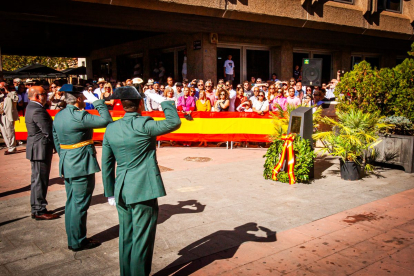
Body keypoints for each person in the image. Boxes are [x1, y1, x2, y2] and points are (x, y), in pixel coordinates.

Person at [101, 87, 181, 276]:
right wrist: (165, 102)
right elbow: (174, 122)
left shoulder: (111, 128)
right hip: (143, 187)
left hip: (121, 187)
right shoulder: (144, 124)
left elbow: (106, 163)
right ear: (139, 104)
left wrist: (109, 191)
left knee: (126, 236)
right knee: (142, 238)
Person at [53, 84, 113, 251]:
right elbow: (107, 120)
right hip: (81, 163)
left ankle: (73, 238)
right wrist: (99, 103)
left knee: (71, 203)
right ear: (78, 99)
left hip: (67, 162)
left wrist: (66, 156)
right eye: (84, 98)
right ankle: (78, 241)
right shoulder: (80, 115)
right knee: (80, 204)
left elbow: (56, 140)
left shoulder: (59, 116)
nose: (85, 101)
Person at [25, 86, 58, 220]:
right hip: (40, 149)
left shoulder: (32, 107)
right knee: (40, 180)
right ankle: (39, 209)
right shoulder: (37, 109)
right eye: (44, 94)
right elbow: (48, 131)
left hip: (37, 147)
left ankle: (37, 207)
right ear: (38, 96)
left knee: (37, 179)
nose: (47, 96)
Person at [1, 86, 19, 154]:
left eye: (2, 88)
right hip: (1, 115)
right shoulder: (1, 96)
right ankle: (9, 146)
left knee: (9, 130)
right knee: (4, 132)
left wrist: (7, 91)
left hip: (8, 115)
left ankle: (12, 147)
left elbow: (16, 99)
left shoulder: (12, 93)